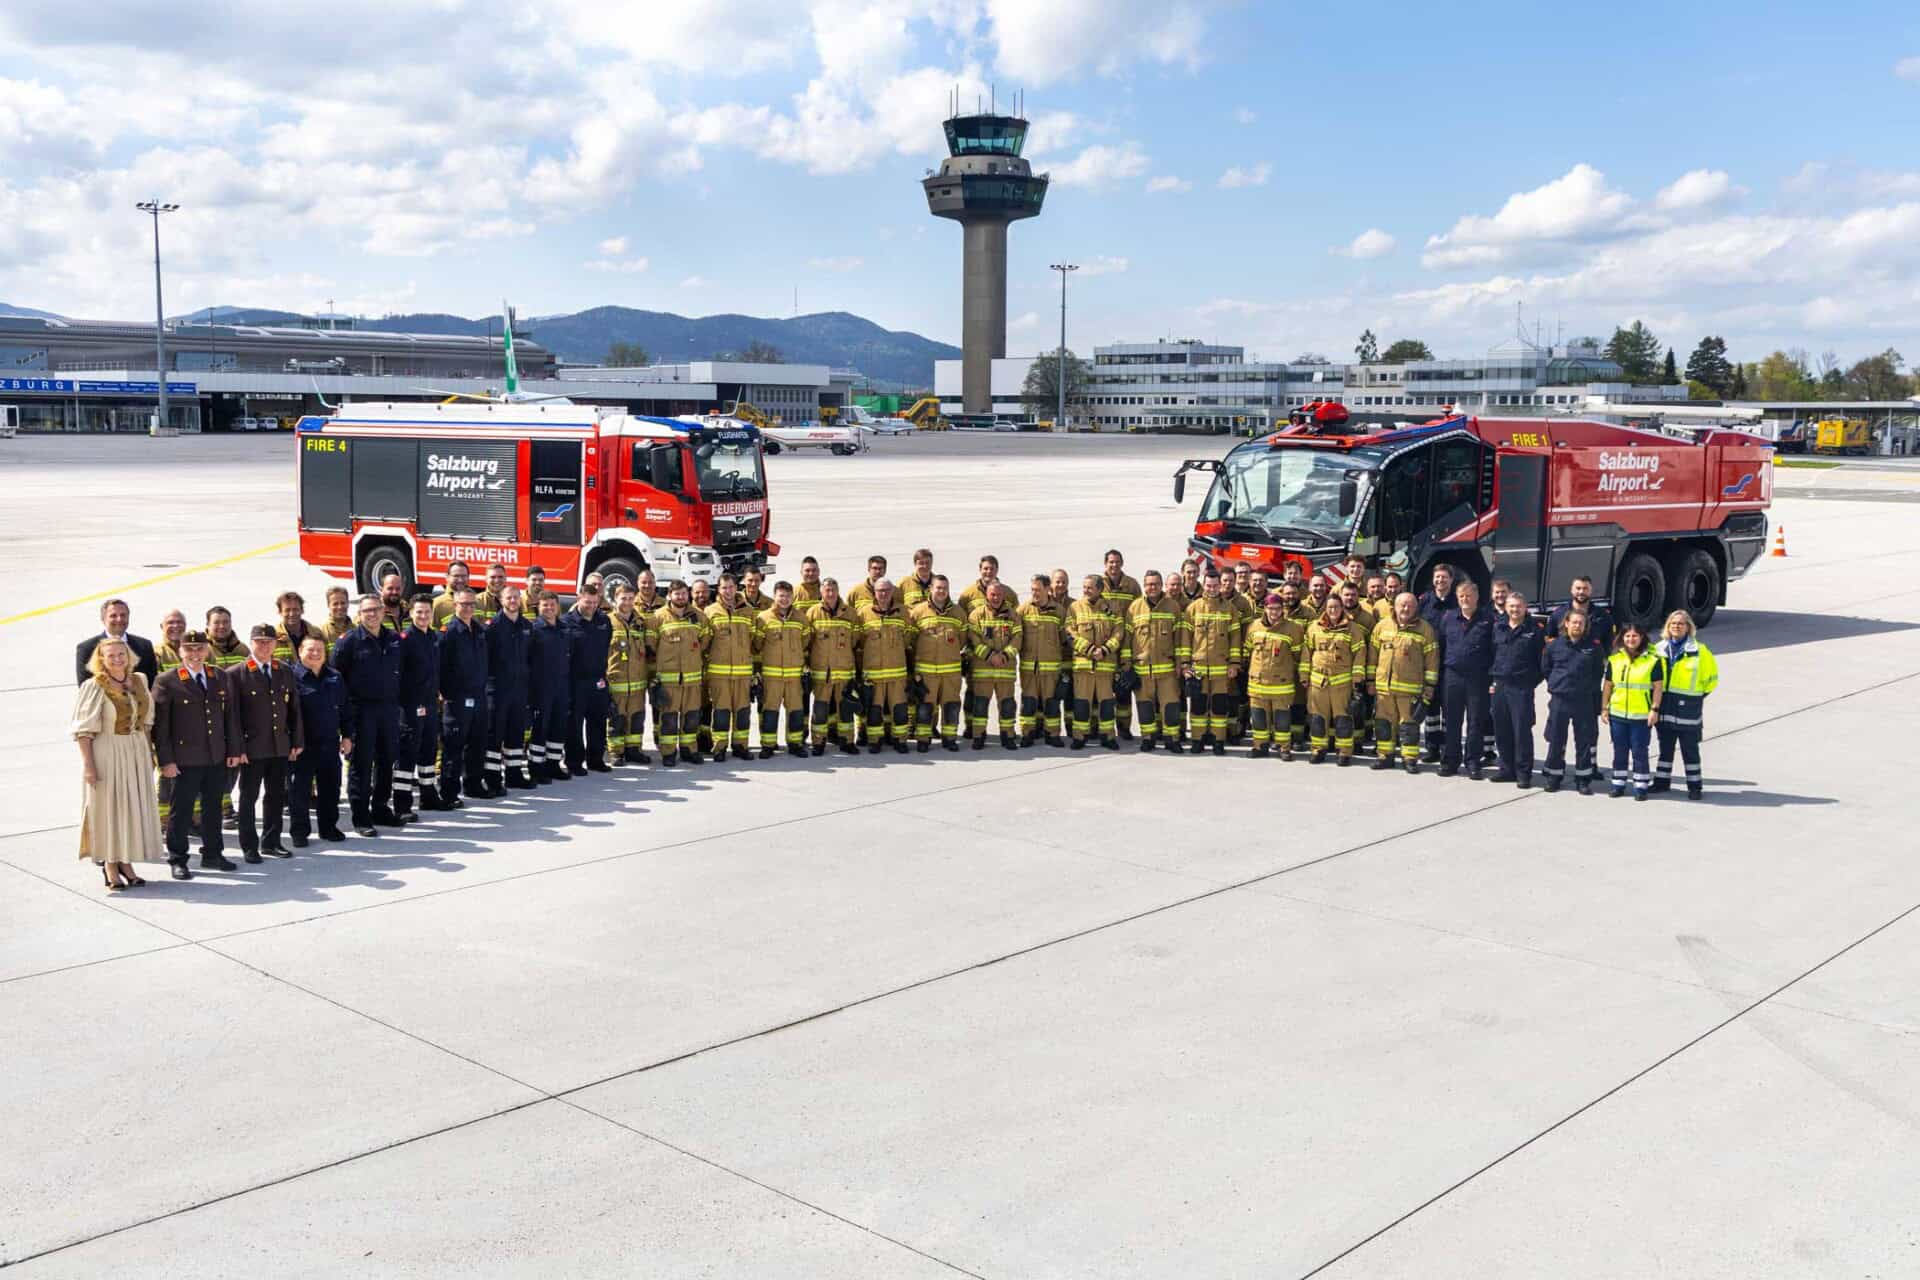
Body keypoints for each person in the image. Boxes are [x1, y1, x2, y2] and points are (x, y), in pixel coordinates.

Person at [72, 637, 161, 889]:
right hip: (107, 751)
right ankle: (110, 864)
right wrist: (89, 765)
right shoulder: (94, 686)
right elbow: (83, 731)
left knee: (130, 808)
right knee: (109, 808)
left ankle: (126, 861)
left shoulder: (140, 680)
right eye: (110, 656)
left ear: (128, 655)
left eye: (121, 654)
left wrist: (148, 754)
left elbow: (147, 723)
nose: (117, 659)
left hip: (135, 751)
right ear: (101, 659)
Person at [153, 630, 237, 877]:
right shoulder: (166, 681)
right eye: (189, 649)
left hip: (215, 757)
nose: (195, 654)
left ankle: (213, 854)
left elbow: (229, 717)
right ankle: (178, 859)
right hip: (184, 760)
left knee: (212, 809)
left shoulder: (218, 676)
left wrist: (232, 750)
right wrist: (165, 761)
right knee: (181, 811)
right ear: (180, 652)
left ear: (207, 650)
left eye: (199, 648)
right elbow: (161, 728)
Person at [227, 622, 303, 861]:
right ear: (251, 644)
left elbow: (294, 710)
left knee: (276, 796)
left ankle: (271, 842)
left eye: (269, 642)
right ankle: (249, 846)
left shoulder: (284, 670)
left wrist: (296, 740)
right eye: (259, 642)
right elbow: (233, 717)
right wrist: (238, 748)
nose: (265, 646)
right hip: (251, 748)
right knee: (248, 798)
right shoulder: (236, 674)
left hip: (279, 745)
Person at [331, 595, 404, 837]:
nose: (371, 615)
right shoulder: (348, 642)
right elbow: (336, 681)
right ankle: (361, 817)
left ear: (383, 612)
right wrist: (344, 721)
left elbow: (401, 673)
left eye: (375, 610)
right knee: (361, 765)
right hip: (361, 712)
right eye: (366, 611)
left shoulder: (394, 639)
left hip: (389, 710)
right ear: (359, 615)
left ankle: (381, 808)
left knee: (386, 761)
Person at [1653, 610, 1718, 799]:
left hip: (1688, 709)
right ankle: (1661, 782)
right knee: (1665, 749)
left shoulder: (1700, 651)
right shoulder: (1658, 649)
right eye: (1673, 623)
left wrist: (1694, 698)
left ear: (1689, 627)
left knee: (1690, 751)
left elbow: (1711, 680)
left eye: (1681, 623)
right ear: (1668, 626)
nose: (1676, 626)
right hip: (1665, 708)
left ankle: (1695, 786)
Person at [1540, 609, 1606, 794]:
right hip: (1560, 698)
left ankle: (1583, 779)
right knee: (1556, 738)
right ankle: (1554, 776)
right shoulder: (1554, 646)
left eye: (1581, 623)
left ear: (1585, 626)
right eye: (1574, 622)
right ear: (1566, 624)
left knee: (1583, 740)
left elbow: (1597, 673)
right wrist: (1556, 684)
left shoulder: (1594, 647)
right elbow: (1546, 668)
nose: (1577, 625)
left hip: (1583, 700)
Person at [289, 635, 348, 847]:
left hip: (329, 742)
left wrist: (348, 735)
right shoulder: (292, 677)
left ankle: (328, 827)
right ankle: (299, 831)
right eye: (310, 650)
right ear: (300, 651)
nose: (315, 654)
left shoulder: (334, 676)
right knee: (300, 791)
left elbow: (344, 708)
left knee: (330, 788)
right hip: (303, 745)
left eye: (319, 650)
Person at [1371, 592, 1438, 773]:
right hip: (1384, 688)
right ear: (1395, 607)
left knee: (1409, 726)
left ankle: (1409, 759)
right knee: (1384, 724)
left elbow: (1431, 660)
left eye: (1410, 605)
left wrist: (1430, 686)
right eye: (1402, 605)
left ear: (1416, 608)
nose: (1406, 608)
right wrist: (1371, 681)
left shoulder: (1425, 629)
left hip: (1410, 691)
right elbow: (1372, 656)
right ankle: (1385, 756)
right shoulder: (1382, 626)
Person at [1180, 568, 1242, 755]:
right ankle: (1197, 740)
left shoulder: (1230, 609)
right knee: (1198, 707)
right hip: (1198, 667)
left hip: (1221, 669)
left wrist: (1234, 664)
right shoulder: (1193, 608)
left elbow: (1235, 638)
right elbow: (1185, 639)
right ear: (1204, 585)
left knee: (1219, 707)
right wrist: (1184, 664)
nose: (1212, 589)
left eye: (1215, 585)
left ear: (1220, 586)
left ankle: (1218, 741)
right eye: (1208, 585)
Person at [1436, 579, 1493, 778]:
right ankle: (1450, 761)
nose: (1465, 599)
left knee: (1476, 721)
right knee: (1452, 721)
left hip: (1478, 678)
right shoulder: (1448, 618)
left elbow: (1494, 650)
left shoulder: (1488, 619)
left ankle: (1473, 762)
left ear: (1477, 597)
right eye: (1461, 596)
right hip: (1453, 676)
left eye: (1469, 595)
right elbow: (1441, 647)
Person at [1488, 590, 1545, 787]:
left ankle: (1523, 773)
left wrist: (1530, 683)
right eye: (1511, 606)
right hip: (1500, 686)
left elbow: (1542, 663)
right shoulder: (1498, 627)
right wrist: (1492, 681)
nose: (1514, 610)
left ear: (1525, 608)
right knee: (1502, 729)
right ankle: (1506, 769)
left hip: (1521, 688)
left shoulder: (1535, 630)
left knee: (1521, 731)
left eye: (1518, 606)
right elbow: (1491, 654)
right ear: (1506, 607)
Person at [1602, 623, 1665, 800]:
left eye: (1635, 636)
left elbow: (1658, 688)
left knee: (1639, 751)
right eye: (1628, 636)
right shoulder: (1615, 660)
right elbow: (1608, 686)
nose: (1631, 639)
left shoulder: (1653, 661)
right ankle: (1618, 784)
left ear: (1642, 638)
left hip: (1641, 716)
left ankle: (1641, 786)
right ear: (1622, 638)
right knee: (1619, 750)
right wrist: (1604, 708)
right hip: (1618, 715)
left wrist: (1654, 709)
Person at [440, 586, 493, 798]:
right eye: (464, 604)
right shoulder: (448, 633)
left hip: (479, 696)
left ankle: (473, 784)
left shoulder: (479, 631)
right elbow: (441, 667)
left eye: (472, 604)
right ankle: (449, 791)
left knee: (478, 743)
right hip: (458, 698)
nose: (469, 608)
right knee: (454, 745)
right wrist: (446, 693)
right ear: (455, 605)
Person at [906, 574, 968, 751]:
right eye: (938, 588)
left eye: (945, 588)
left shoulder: (958, 613)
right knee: (925, 707)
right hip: (926, 672)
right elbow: (911, 639)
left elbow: (962, 640)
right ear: (931, 589)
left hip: (951, 672)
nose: (941, 591)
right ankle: (923, 739)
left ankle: (949, 739)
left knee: (951, 706)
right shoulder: (918, 612)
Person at [652, 579, 709, 765]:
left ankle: (689, 750)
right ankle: (668, 753)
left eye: (684, 593)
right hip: (669, 680)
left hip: (692, 679)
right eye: (677, 594)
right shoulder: (658, 617)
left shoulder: (699, 617)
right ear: (669, 595)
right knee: (669, 718)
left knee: (691, 717)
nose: (681, 597)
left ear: (689, 594)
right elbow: (651, 645)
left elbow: (705, 641)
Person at [394, 596, 442, 817]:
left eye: (427, 612)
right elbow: (399, 675)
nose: (423, 616)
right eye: (419, 612)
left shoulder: (433, 636)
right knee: (407, 753)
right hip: (411, 705)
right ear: (411, 613)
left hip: (431, 703)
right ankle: (402, 805)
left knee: (429, 750)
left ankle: (428, 796)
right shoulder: (404, 640)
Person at [752, 580, 811, 758]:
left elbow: (806, 642)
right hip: (772, 676)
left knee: (795, 710)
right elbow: (757, 644)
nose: (784, 599)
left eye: (787, 596)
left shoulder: (801, 618)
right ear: (775, 596)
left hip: (794, 676)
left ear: (792, 597)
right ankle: (768, 746)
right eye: (781, 595)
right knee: (770, 710)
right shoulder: (763, 618)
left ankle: (795, 744)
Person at [1127, 571, 1184, 752]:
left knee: (1171, 706)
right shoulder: (1134, 608)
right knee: (1144, 707)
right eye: (1149, 584)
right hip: (1142, 669)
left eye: (1156, 584)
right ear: (1145, 586)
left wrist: (1180, 663)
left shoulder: (1172, 606)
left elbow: (1180, 638)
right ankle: (1148, 738)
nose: (1153, 587)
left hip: (1167, 671)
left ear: (1162, 586)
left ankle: (1172, 739)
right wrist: (1127, 666)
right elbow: (1127, 639)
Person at [486, 585, 536, 787]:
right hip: (498, 690)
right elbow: (486, 660)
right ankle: (492, 777)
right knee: (495, 735)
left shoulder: (526, 626)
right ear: (501, 600)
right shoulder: (493, 627)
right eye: (509, 598)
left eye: (516, 597)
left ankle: (514, 775)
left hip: (519, 690)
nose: (513, 601)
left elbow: (531, 658)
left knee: (516, 733)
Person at [1305, 596, 1365, 765]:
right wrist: (1304, 676)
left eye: (1336, 607)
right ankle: (1318, 750)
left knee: (1343, 719)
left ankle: (1344, 752)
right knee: (1318, 718)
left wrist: (1357, 680)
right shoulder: (1314, 628)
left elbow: (1359, 655)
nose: (1333, 610)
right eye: (1330, 607)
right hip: (1318, 682)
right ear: (1325, 608)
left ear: (1342, 608)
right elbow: (1306, 653)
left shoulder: (1352, 629)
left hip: (1342, 684)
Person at [704, 573, 758, 761]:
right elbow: (705, 643)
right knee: (721, 711)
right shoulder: (710, 612)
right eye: (724, 587)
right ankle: (719, 748)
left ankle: (740, 746)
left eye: (731, 587)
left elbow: (753, 640)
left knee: (743, 711)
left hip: (743, 673)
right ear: (718, 589)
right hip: (719, 674)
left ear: (737, 588)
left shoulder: (749, 612)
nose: (728, 591)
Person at [855, 578, 912, 753]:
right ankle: (875, 740)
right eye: (880, 591)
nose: (884, 594)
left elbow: (908, 639)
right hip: (873, 675)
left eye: (887, 590)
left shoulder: (903, 612)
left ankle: (900, 740)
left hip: (897, 674)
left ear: (893, 591)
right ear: (874, 592)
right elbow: (859, 642)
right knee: (874, 710)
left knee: (900, 709)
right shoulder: (864, 613)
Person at [1244, 593, 1304, 759]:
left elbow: (1298, 655)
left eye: (1278, 609)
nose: (1274, 612)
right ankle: (1259, 747)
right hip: (1257, 682)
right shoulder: (1254, 626)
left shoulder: (1293, 628)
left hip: (1281, 683)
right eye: (1271, 609)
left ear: (1282, 609)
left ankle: (1284, 748)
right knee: (1258, 718)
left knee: (1282, 719)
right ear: (1265, 608)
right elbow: (1247, 651)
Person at [803, 577, 859, 754]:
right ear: (821, 592)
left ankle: (847, 741)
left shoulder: (850, 613)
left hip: (844, 672)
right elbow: (807, 642)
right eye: (826, 590)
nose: (830, 593)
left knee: (846, 710)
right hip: (822, 673)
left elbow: (855, 641)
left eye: (833, 589)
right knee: (820, 710)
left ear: (838, 590)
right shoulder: (812, 613)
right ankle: (818, 743)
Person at [562, 584, 612, 774]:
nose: (591, 606)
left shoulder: (603, 621)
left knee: (598, 721)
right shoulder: (567, 622)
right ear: (578, 599)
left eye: (594, 602)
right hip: (576, 681)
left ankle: (596, 759)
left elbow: (606, 645)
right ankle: (574, 762)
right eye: (587, 602)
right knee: (574, 723)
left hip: (598, 680)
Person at [968, 580, 1024, 750]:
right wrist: (990, 656)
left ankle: (1007, 736)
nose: (996, 597)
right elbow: (973, 640)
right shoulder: (976, 615)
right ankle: (978, 736)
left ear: (1004, 596)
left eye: (999, 594)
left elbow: (1018, 639)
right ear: (987, 594)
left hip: (1005, 670)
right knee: (980, 705)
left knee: (1007, 705)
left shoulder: (1013, 615)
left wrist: (1005, 656)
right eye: (992, 594)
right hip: (983, 671)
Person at [605, 583, 654, 766]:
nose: (627, 602)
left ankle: (634, 750)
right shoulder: (607, 622)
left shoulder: (641, 622)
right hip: (616, 680)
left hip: (637, 682)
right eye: (623, 598)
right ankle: (616, 753)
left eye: (630, 598)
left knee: (636, 718)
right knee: (616, 719)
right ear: (615, 599)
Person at [1017, 574, 1068, 747]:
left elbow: (1065, 639)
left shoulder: (1059, 611)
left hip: (1051, 669)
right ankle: (1027, 734)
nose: (1034, 593)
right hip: (1029, 668)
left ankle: (1052, 735)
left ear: (1048, 589)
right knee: (1028, 704)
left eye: (1038, 590)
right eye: (1032, 590)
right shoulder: (1023, 610)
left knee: (1052, 704)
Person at [528, 592, 574, 780]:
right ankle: (536, 768)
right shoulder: (534, 630)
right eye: (545, 605)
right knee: (540, 728)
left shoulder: (564, 628)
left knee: (558, 726)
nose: (549, 608)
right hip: (542, 688)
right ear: (539, 607)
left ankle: (553, 764)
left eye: (552, 605)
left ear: (558, 606)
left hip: (561, 686)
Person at [1098, 550, 1141, 739]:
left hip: (1125, 644)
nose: (1114, 566)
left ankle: (1124, 728)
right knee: (1102, 691)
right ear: (1105, 564)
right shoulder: (1098, 583)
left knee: (1124, 689)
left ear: (1122, 563)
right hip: (1103, 646)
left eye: (1117, 562)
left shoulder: (1132, 586)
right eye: (1110, 562)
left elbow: (1140, 610)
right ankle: (1098, 728)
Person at [1417, 563, 1457, 760]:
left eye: (1444, 577)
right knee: (1431, 707)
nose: (1440, 581)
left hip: (1450, 663)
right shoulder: (1424, 601)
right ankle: (1432, 748)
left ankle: (1447, 748)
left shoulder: (1457, 602)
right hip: (1430, 663)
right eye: (1437, 577)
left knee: (1449, 708)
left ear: (1451, 580)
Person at [75, 597, 158, 686]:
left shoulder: (145, 646)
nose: (119, 619)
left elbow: (152, 683)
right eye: (113, 616)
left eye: (123, 615)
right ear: (103, 619)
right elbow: (85, 687)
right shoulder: (86, 649)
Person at [1547, 575, 1613, 645]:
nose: (1581, 592)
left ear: (1591, 591)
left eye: (1585, 589)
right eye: (1578, 588)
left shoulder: (1603, 616)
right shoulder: (1558, 614)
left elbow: (1609, 644)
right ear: (1571, 590)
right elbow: (1550, 640)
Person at [272, 591, 323, 666]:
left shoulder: (317, 633)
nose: (292, 614)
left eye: (295, 609)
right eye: (287, 610)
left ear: (302, 610)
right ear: (280, 612)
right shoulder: (273, 637)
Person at [430, 560, 472, 628]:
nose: (460, 580)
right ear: (447, 577)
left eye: (464, 576)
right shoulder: (437, 604)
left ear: (468, 577)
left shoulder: (477, 601)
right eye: (456, 576)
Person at [319, 586, 354, 656]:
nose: (340, 607)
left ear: (348, 604)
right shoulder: (321, 632)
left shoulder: (357, 629)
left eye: (343, 603)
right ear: (328, 605)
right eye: (335, 604)